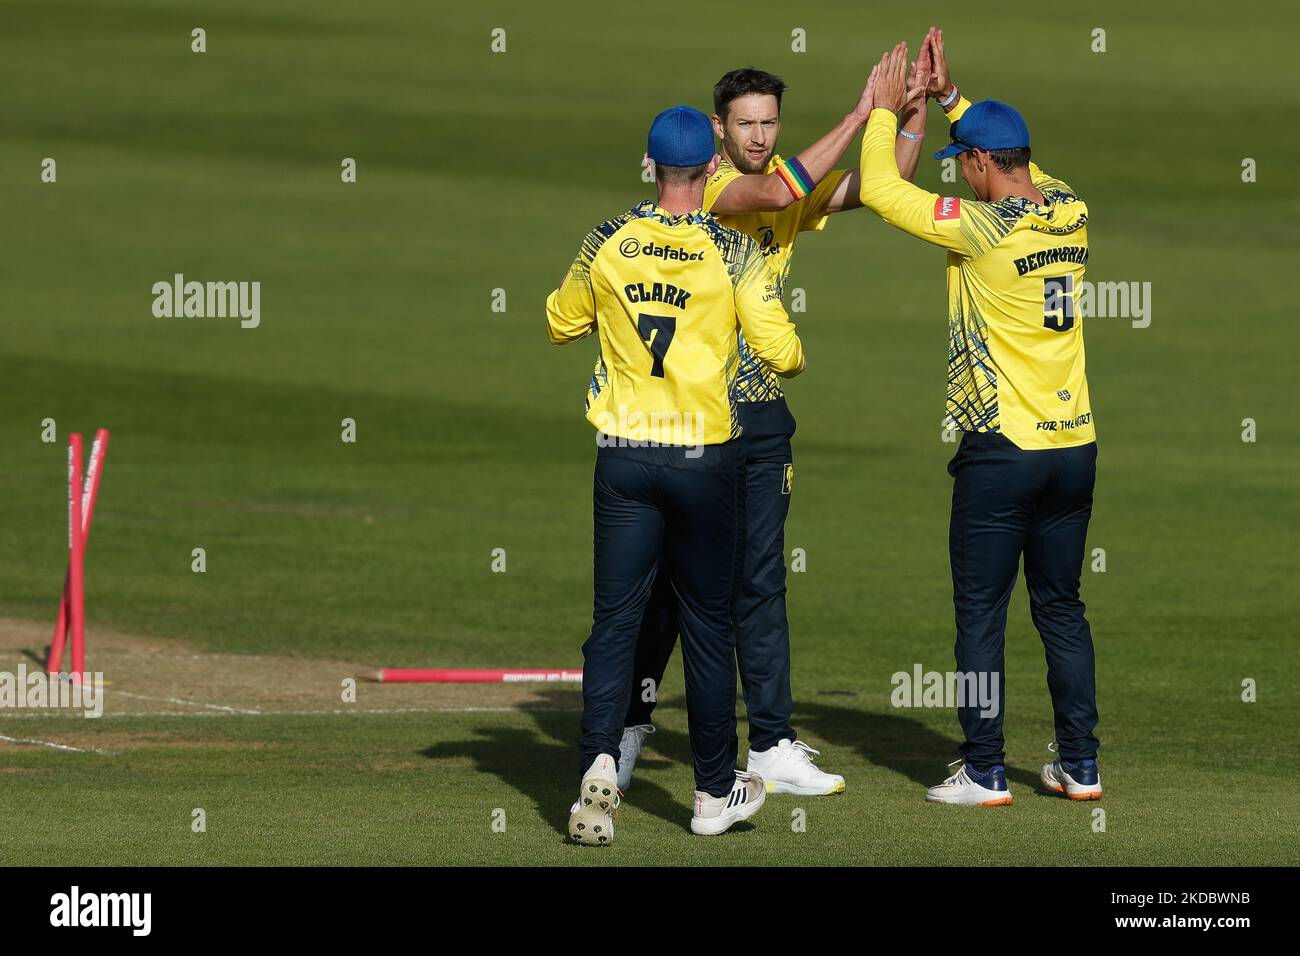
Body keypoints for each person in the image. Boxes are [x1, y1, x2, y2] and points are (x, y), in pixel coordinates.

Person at [619, 51, 929, 797]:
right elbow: (772, 188)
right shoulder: (719, 186)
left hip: (759, 419)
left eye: (769, 123)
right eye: (746, 124)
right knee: (672, 585)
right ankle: (627, 727)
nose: (759, 135)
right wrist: (859, 114)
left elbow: (890, 184)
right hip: (693, 417)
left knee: (760, 577)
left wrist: (910, 106)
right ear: (719, 130)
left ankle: (774, 744)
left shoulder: (782, 184)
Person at [546, 105, 807, 843]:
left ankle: (599, 761)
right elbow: (780, 352)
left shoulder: (609, 239)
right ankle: (713, 793)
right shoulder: (732, 250)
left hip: (624, 457)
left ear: (651, 164)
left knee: (615, 621)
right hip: (703, 461)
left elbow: (560, 320)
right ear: (710, 169)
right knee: (707, 623)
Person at [858, 32, 1102, 806]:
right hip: (1075, 448)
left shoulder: (981, 226)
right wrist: (957, 103)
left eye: (963, 161)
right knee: (1061, 608)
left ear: (980, 165)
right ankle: (1080, 765)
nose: (959, 174)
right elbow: (1022, 165)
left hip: (1002, 451)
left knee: (981, 615)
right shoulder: (1070, 209)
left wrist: (884, 113)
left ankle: (986, 769)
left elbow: (882, 194)